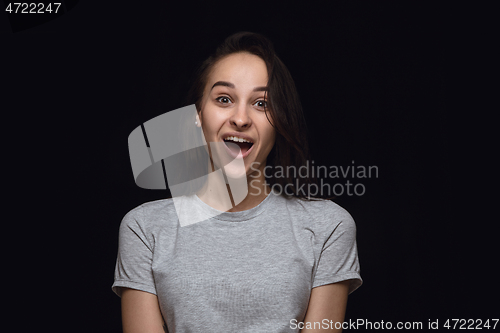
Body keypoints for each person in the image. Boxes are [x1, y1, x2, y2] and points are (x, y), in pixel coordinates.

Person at [112, 31, 362, 333]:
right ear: (198, 115)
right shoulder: (144, 228)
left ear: (280, 122)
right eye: (224, 99)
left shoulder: (328, 227)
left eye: (261, 103)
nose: (241, 118)